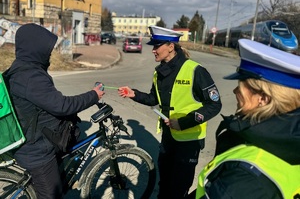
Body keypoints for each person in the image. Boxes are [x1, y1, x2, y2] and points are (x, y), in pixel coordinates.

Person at [118, 25, 222, 198]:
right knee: (164, 183)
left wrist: (184, 122)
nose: (153, 50)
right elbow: (154, 99)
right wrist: (133, 94)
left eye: (157, 46)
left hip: (189, 140)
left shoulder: (195, 70)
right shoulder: (159, 73)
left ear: (171, 47)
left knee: (178, 188)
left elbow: (214, 104)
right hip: (168, 137)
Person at [6, 23, 104, 199]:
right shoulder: (30, 77)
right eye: (46, 49)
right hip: (37, 153)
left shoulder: (23, 68)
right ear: (35, 48)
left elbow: (49, 102)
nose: (49, 53)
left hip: (37, 142)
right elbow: (62, 105)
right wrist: (94, 95)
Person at [195, 39, 300, 199]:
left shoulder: (246, 177)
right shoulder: (288, 142)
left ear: (263, 99)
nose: (235, 91)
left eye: (241, 86)